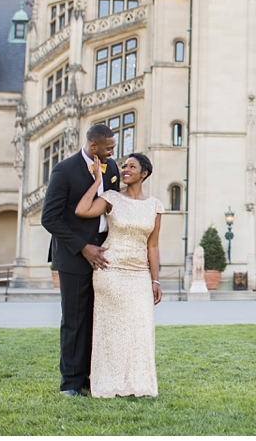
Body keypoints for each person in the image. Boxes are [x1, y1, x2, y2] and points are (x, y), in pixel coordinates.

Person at [41, 124, 120, 397]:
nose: (113, 151)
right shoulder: (64, 170)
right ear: (93, 146)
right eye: (109, 147)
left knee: (97, 320)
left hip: (104, 255)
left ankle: (93, 379)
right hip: (74, 256)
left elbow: (113, 208)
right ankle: (71, 383)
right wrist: (83, 247)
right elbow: (49, 218)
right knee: (74, 321)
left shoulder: (112, 170)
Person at [75, 152, 163, 398]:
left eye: (132, 167)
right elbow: (82, 211)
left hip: (139, 274)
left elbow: (153, 246)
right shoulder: (111, 197)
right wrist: (96, 181)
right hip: (110, 270)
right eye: (124, 166)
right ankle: (108, 383)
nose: (125, 169)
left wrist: (155, 280)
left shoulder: (155, 206)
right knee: (112, 330)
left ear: (144, 173)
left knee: (140, 329)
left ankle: (138, 383)